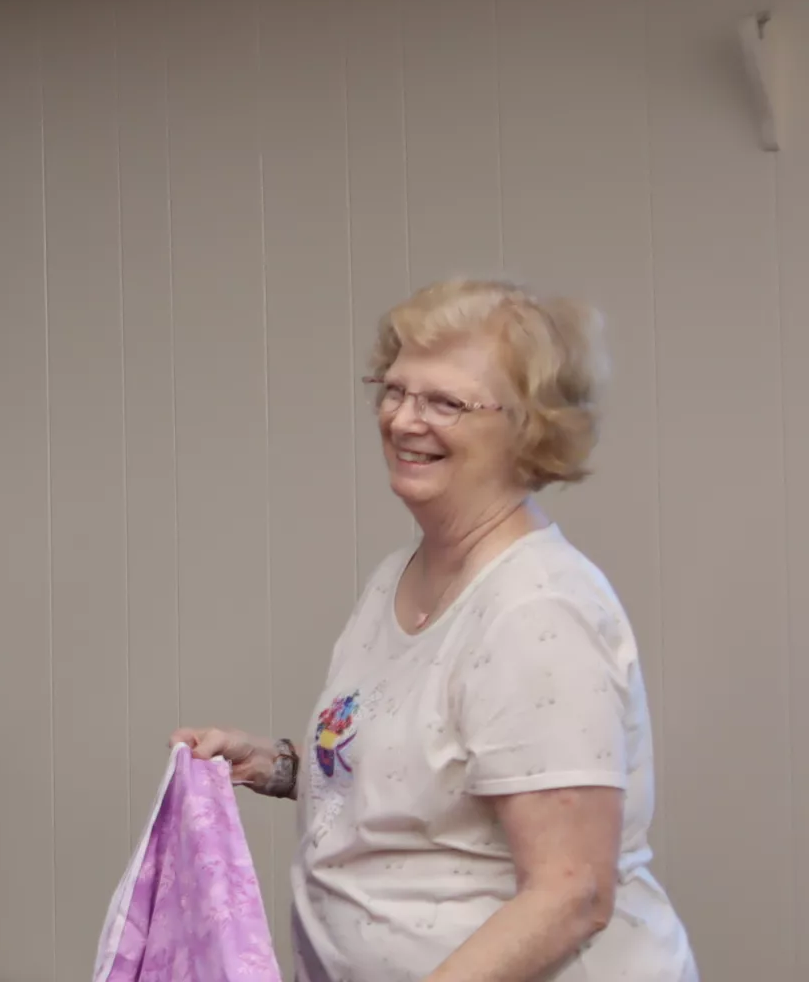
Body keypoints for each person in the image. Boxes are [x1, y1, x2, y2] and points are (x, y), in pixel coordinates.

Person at [175, 279, 695, 981]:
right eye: (394, 390)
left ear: (528, 427)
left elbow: (574, 893)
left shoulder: (537, 610)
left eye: (445, 402)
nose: (402, 420)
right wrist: (277, 765)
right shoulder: (400, 572)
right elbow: (417, 786)